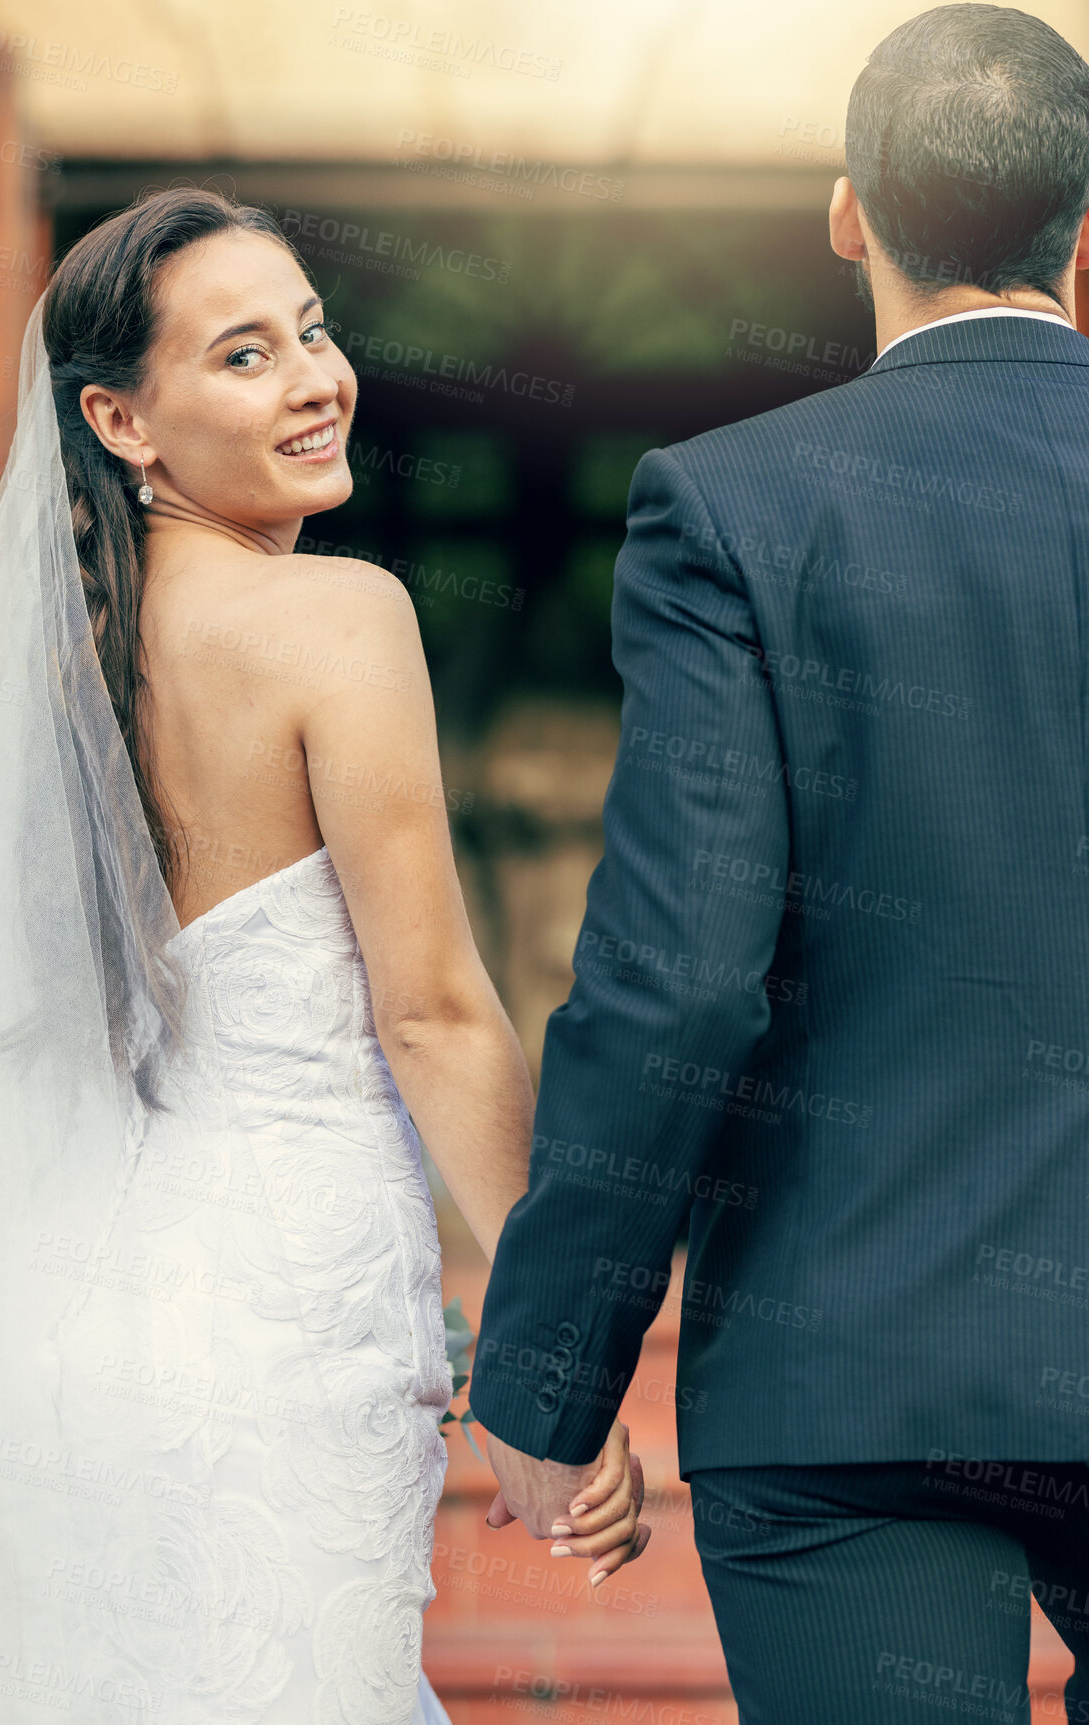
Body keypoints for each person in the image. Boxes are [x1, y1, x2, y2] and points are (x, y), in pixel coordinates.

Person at [0, 186, 644, 1725]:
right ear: (122, 419)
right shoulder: (338, 617)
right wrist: (553, 1350)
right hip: (279, 1323)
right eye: (246, 355)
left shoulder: (46, 680)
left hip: (42, 1339)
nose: (318, 377)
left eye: (313, 330)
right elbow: (440, 1014)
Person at [469, 6, 1089, 1719]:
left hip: (857, 1372)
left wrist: (549, 1369)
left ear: (846, 214)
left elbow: (678, 974)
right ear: (1085, 221)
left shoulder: (741, 508)